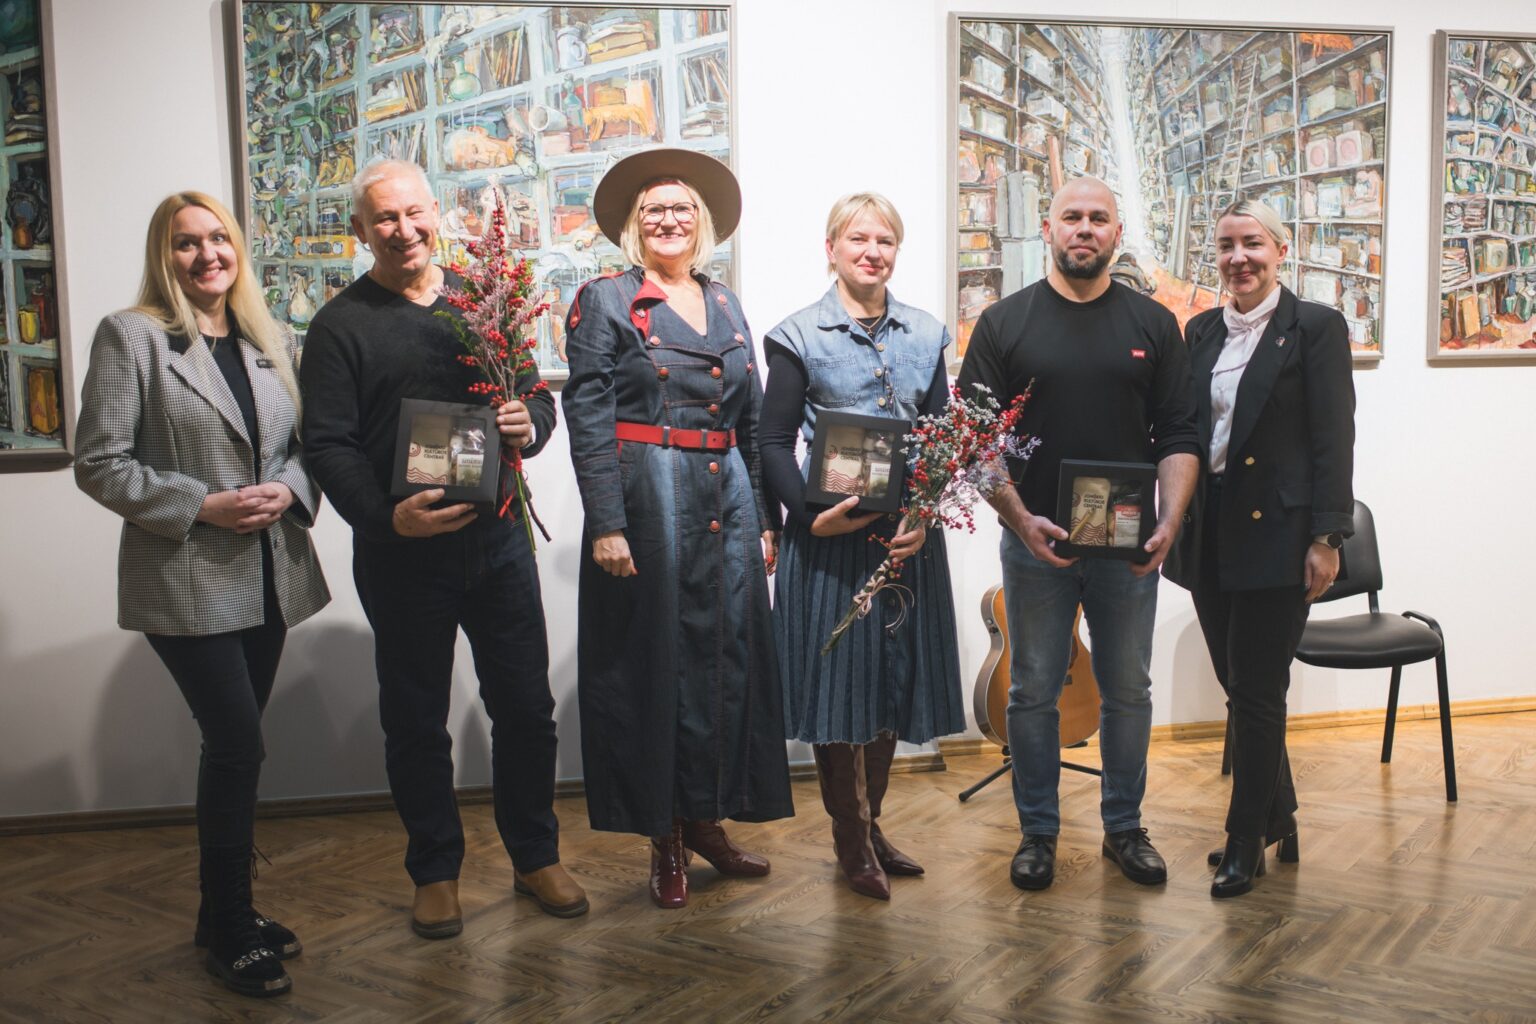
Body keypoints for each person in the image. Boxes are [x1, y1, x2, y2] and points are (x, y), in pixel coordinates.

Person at [300, 159, 586, 937]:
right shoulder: (338, 327)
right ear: (360, 231)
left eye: (414, 213)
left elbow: (534, 399)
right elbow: (327, 445)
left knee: (525, 710)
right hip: (401, 554)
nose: (404, 231)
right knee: (416, 720)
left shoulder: (480, 303)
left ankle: (535, 856)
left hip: (499, 543)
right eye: (384, 219)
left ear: (436, 213)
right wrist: (386, 518)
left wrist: (530, 420)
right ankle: (434, 870)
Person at [74, 192, 330, 998]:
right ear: (165, 256)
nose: (207, 254)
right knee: (237, 745)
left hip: (270, 575)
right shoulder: (133, 336)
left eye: (219, 238)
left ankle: (218, 912)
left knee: (234, 745)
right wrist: (201, 504)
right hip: (186, 575)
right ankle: (231, 928)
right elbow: (100, 462)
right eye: (186, 243)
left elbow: (306, 446)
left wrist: (291, 490)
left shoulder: (268, 338)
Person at [955, 176, 1201, 892]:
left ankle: (1124, 829)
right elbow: (975, 441)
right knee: (1032, 691)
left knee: (1128, 690)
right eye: (1072, 217)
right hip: (1037, 542)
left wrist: (1169, 520)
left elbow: (1179, 431)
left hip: (1128, 547)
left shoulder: (1154, 325)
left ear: (1116, 233)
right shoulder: (1004, 323)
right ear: (1049, 229)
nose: (1084, 229)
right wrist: (1018, 518)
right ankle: (1038, 833)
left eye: (1098, 218)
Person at [562, 148, 793, 909]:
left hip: (728, 493)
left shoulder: (725, 301)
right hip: (649, 493)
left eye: (681, 208)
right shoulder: (605, 299)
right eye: (653, 210)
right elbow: (588, 416)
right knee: (656, 661)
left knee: (724, 659)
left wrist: (766, 519)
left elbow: (751, 420)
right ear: (635, 225)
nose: (668, 220)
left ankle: (706, 820)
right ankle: (663, 834)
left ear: (702, 223)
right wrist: (606, 523)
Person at [759, 193, 964, 900]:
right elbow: (771, 441)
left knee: (890, 681)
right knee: (835, 688)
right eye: (858, 239)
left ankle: (871, 825)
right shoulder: (797, 336)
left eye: (885, 241)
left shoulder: (926, 333)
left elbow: (940, 438)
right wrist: (806, 515)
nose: (872, 252)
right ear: (832, 249)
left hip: (904, 538)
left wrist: (925, 514)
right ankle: (850, 838)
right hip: (828, 542)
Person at [1163, 199, 1355, 898]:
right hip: (1209, 528)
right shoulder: (1202, 330)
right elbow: (1187, 428)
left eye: (1252, 244)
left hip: (1279, 533)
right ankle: (1279, 815)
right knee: (1240, 688)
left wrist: (1327, 536)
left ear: (1281, 250)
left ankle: (1245, 838)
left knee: (1258, 690)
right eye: (1226, 246)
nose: (1238, 258)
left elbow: (1334, 437)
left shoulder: (1316, 328)